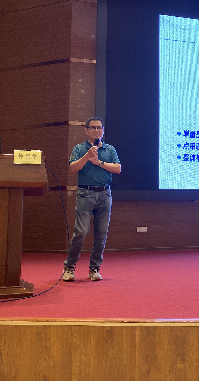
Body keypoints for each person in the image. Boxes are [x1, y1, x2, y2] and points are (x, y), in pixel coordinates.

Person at [63, 117, 121, 281]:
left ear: (103, 130)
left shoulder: (109, 149)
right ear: (86, 130)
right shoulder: (79, 148)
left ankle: (94, 269)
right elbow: (73, 168)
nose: (96, 130)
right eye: (93, 127)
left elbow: (118, 168)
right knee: (81, 232)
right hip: (85, 194)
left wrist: (99, 162)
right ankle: (69, 267)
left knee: (101, 234)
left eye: (99, 127)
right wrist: (87, 156)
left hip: (105, 194)